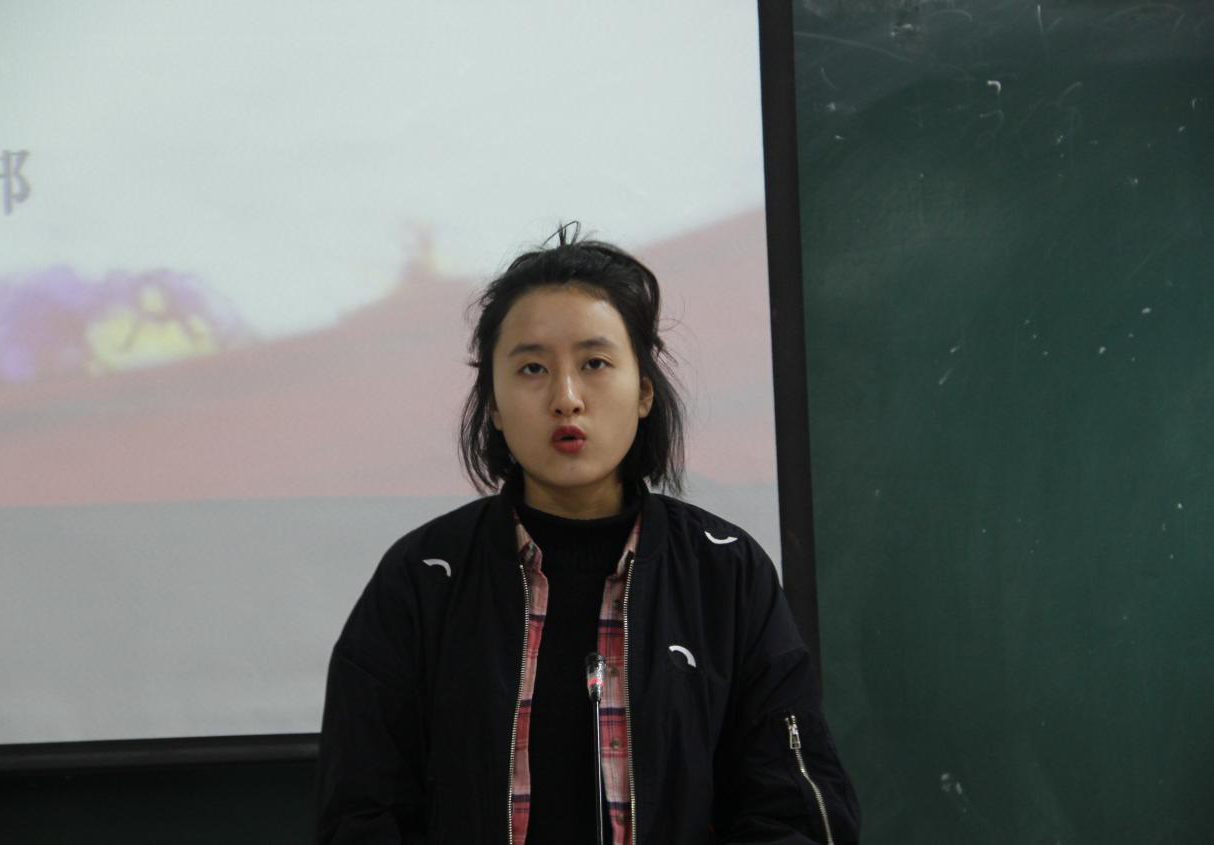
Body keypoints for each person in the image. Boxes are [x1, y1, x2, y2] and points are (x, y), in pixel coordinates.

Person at [314, 225, 860, 844]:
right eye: (532, 368)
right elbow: (361, 811)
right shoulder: (422, 577)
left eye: (595, 364)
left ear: (644, 391)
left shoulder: (728, 574)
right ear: (493, 405)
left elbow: (792, 811)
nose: (566, 398)